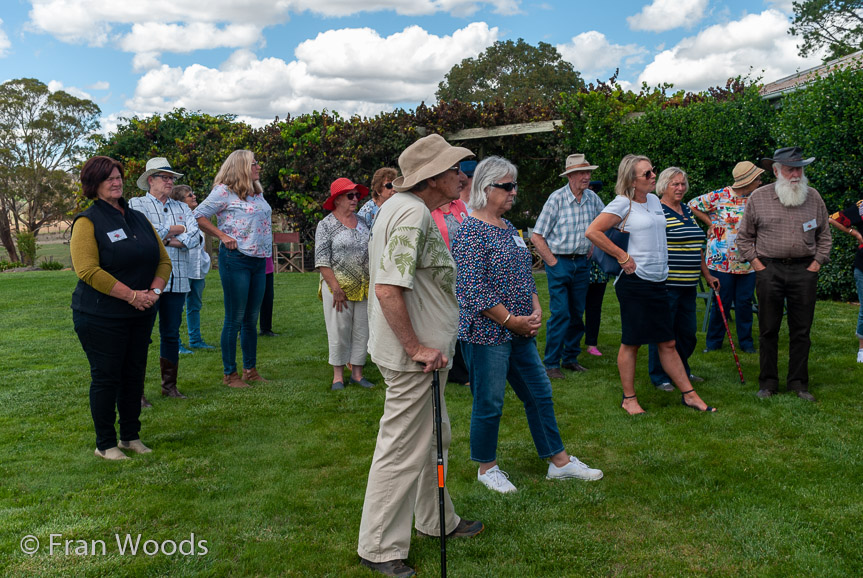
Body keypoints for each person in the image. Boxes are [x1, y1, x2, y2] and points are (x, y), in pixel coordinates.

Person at [358, 134, 483, 578]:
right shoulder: (410, 213)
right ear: (431, 177)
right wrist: (415, 347)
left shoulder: (404, 208)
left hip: (423, 356)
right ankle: (378, 547)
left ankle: (437, 521)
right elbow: (389, 287)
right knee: (401, 450)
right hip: (415, 359)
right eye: (454, 169)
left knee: (435, 438)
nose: (462, 176)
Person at [453, 156, 603, 494]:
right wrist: (511, 321)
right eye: (507, 186)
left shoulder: (509, 229)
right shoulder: (469, 232)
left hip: (520, 330)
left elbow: (524, 275)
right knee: (489, 402)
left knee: (540, 393)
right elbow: (472, 290)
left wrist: (534, 308)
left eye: (514, 185)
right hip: (488, 333)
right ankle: (486, 468)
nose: (513, 192)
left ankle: (559, 462)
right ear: (485, 188)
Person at [586, 154, 717, 415]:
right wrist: (622, 256)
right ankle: (629, 398)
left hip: (660, 281)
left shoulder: (655, 200)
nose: (653, 176)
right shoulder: (623, 204)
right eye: (647, 174)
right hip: (635, 283)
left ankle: (689, 395)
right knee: (632, 342)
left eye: (652, 171)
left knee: (667, 342)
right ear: (631, 180)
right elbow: (593, 231)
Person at [71, 156, 171, 459]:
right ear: (94, 184)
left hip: (140, 312)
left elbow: (163, 260)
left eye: (118, 177)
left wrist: (153, 292)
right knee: (106, 377)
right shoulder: (87, 221)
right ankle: (106, 444)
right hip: (101, 315)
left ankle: (130, 437)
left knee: (133, 375)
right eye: (108, 179)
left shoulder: (138, 217)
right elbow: (87, 270)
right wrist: (132, 296)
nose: (116, 182)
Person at [738, 147, 832, 401]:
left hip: (804, 270)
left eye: (800, 168)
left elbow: (825, 236)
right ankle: (768, 383)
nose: (796, 174)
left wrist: (816, 264)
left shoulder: (813, 197)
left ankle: (799, 383)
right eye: (791, 169)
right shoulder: (758, 197)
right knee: (768, 328)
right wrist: (758, 265)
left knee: (801, 330)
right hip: (770, 269)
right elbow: (744, 238)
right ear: (777, 171)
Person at [193, 150, 272, 389]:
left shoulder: (256, 193)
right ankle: (230, 374)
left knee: (251, 318)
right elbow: (197, 215)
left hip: (258, 260)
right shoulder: (223, 192)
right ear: (241, 167)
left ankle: (250, 370)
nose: (258, 166)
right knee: (235, 318)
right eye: (254, 163)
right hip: (235, 259)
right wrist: (222, 235)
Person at [129, 158, 200, 406]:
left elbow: (196, 237)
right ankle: (135, 392)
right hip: (147, 281)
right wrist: (175, 230)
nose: (170, 182)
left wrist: (165, 235)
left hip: (177, 279)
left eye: (171, 178)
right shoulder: (136, 204)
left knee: (171, 334)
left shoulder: (182, 207)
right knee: (141, 336)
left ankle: (170, 387)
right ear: (151, 180)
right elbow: (141, 234)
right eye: (164, 177)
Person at [531, 154, 605, 378]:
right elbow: (537, 236)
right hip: (560, 262)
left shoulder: (592, 198)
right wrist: (553, 263)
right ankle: (551, 363)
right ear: (570, 175)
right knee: (561, 313)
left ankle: (570, 358)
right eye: (583, 172)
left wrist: (592, 246)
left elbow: (605, 222)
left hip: (582, 263)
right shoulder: (557, 199)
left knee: (576, 312)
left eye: (589, 172)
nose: (587, 176)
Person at [647, 168, 720, 391]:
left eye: (682, 184)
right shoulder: (656, 211)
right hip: (666, 284)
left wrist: (707, 274)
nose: (680, 188)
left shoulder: (687, 211)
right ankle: (660, 376)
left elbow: (696, 246)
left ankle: (682, 370)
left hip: (688, 284)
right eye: (674, 184)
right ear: (663, 186)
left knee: (687, 334)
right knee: (663, 332)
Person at [689, 161, 763, 354]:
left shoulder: (756, 198)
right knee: (721, 300)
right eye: (758, 178)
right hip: (721, 260)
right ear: (748, 181)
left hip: (748, 261)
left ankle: (746, 342)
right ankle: (713, 342)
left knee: (744, 302)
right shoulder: (719, 196)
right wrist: (710, 223)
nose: (761, 181)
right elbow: (692, 205)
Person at [315, 177, 374, 391]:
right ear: (337, 199)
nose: (356, 199)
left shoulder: (363, 222)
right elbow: (322, 260)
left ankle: (357, 374)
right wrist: (336, 289)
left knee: (362, 330)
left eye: (357, 195)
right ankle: (337, 377)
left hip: (364, 286)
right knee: (339, 330)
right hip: (338, 288)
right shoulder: (326, 225)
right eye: (350, 195)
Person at [430, 176, 471, 386]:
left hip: (464, 271)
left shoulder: (460, 205)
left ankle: (462, 369)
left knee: (461, 319)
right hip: (441, 273)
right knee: (446, 317)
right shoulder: (429, 209)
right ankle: (454, 369)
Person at [172, 185, 215, 351]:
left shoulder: (197, 218)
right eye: (190, 195)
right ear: (181, 201)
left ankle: (195, 340)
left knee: (195, 305)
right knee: (177, 307)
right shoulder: (176, 220)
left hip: (197, 270)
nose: (194, 196)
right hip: (182, 269)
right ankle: (175, 343)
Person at [828, 198, 863, 363]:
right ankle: (862, 350)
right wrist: (854, 233)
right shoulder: (862, 206)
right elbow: (833, 218)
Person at [583, 261, 609, 357]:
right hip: (579, 268)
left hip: (598, 270)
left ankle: (591, 344)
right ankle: (571, 343)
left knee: (594, 308)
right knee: (574, 308)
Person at [259, 256, 278, 337]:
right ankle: (243, 330)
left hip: (267, 266)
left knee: (268, 298)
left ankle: (266, 329)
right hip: (250, 264)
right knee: (247, 299)